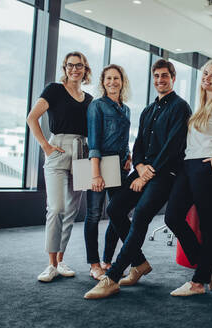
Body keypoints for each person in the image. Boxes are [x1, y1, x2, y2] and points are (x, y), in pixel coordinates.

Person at [84, 59, 192, 299]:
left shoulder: (181, 107)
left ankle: (112, 278)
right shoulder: (148, 110)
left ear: (172, 78)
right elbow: (139, 143)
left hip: (166, 174)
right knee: (114, 209)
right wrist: (140, 166)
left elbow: (173, 147)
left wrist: (146, 175)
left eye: (164, 75)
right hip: (143, 170)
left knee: (141, 214)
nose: (160, 80)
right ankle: (139, 263)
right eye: (156, 76)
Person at [164, 59, 212, 296]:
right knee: (172, 216)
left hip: (207, 167)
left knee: (207, 225)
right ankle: (205, 267)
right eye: (205, 73)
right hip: (188, 165)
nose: (207, 78)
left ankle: (198, 283)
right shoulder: (201, 107)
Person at [26, 51, 93, 282]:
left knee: (72, 211)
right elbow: (32, 118)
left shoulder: (90, 99)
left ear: (85, 69)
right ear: (65, 68)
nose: (75, 69)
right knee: (56, 208)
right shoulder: (54, 90)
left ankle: (61, 260)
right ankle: (51, 264)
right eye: (71, 65)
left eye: (79, 65)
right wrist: (45, 145)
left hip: (82, 152)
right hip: (59, 149)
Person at [84, 64, 132, 280]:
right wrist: (95, 174)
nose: (112, 82)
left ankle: (107, 261)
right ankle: (94, 264)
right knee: (94, 214)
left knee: (117, 213)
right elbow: (93, 141)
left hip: (119, 166)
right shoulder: (97, 106)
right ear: (103, 82)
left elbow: (124, 138)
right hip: (99, 164)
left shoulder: (126, 108)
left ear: (122, 82)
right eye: (108, 79)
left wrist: (129, 156)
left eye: (116, 78)